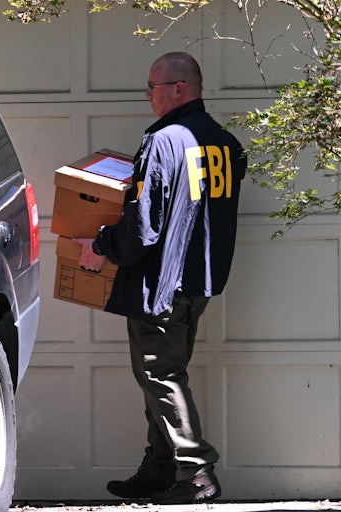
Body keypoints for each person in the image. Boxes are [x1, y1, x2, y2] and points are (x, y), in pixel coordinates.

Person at [76, 52, 247, 504]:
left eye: (153, 86)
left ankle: (196, 471)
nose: (147, 95)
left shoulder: (164, 142)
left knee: (160, 374)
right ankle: (159, 469)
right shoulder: (226, 144)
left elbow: (143, 227)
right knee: (163, 374)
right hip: (200, 280)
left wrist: (101, 245)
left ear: (179, 88)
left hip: (163, 283)